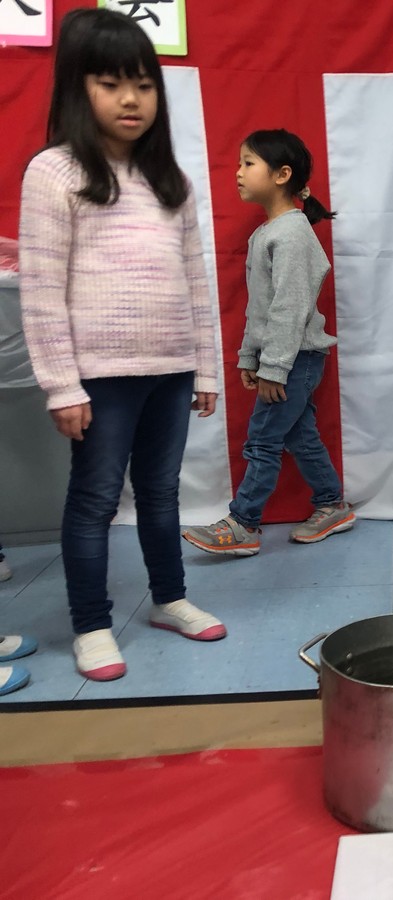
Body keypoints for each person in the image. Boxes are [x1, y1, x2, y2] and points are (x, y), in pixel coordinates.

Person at [19, 8, 225, 682]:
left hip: (170, 368)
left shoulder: (173, 182)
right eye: (110, 83)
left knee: (161, 494)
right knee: (95, 501)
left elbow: (197, 282)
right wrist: (61, 383)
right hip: (99, 377)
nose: (131, 98)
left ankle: (169, 598)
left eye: (142, 83)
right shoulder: (53, 174)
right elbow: (42, 290)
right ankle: (91, 624)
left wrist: (206, 371)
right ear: (77, 89)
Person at [183, 130, 353, 557]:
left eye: (247, 163)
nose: (237, 173)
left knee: (262, 438)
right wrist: (250, 357)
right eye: (239, 164)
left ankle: (243, 523)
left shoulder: (291, 234)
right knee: (298, 434)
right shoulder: (270, 232)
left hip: (295, 358)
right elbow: (260, 308)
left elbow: (291, 309)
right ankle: (332, 504)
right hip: (286, 357)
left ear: (281, 175)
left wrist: (274, 367)